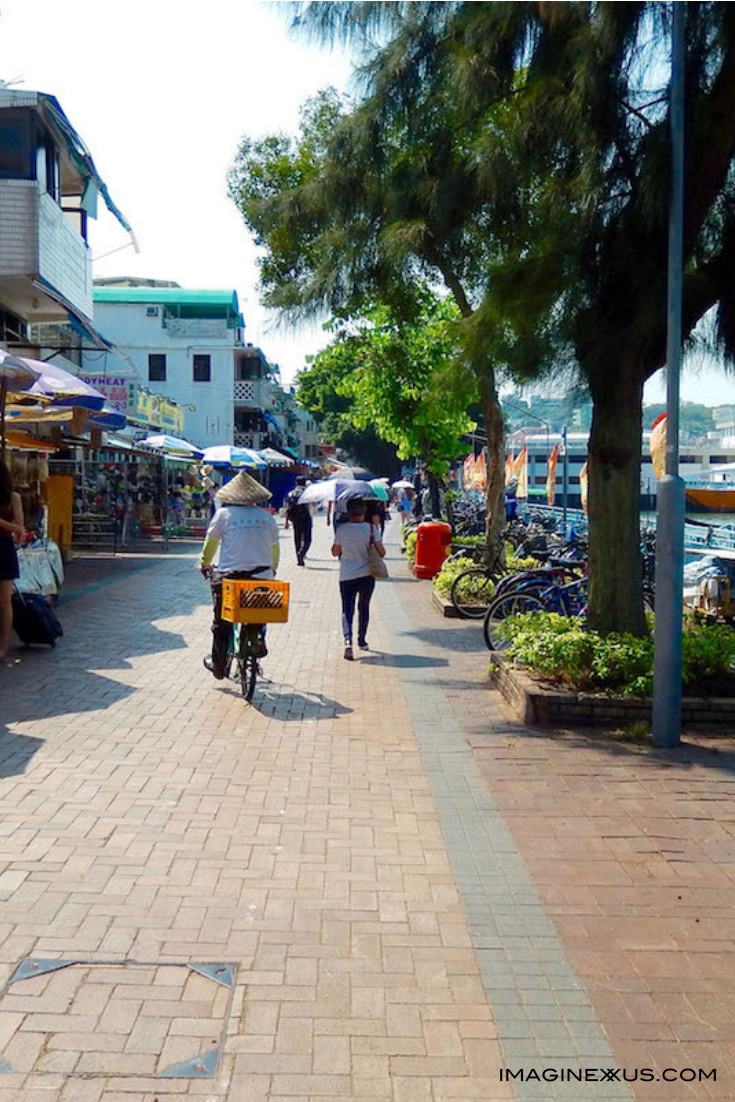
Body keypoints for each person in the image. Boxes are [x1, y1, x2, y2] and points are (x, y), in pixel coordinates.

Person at [198, 471, 279, 680]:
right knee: (259, 614)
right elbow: (274, 550)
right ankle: (258, 638)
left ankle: (218, 665)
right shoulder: (266, 517)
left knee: (222, 623)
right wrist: (272, 570)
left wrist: (205, 563)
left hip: (230, 578)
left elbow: (211, 543)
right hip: (262, 577)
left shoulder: (224, 515)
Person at [331, 497, 385, 661]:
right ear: (364, 512)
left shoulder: (342, 529)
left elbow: (334, 552)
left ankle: (348, 642)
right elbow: (382, 553)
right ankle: (362, 640)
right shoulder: (370, 528)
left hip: (346, 575)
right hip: (367, 574)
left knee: (347, 609)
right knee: (364, 606)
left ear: (349, 512)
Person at [0, 460, 25, 661]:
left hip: (3, 548)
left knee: (4, 600)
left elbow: (20, 530)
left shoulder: (13, 498)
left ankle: (3, 645)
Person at [284, 475, 313, 566]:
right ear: (305, 483)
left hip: (295, 518)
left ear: (296, 483)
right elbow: (314, 504)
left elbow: (287, 508)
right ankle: (302, 552)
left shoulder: (291, 493)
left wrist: (286, 522)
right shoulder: (308, 493)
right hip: (306, 517)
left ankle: (299, 559)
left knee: (297, 538)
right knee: (308, 539)